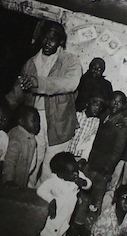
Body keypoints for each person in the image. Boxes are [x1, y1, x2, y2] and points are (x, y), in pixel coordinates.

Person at [7, 21, 81, 186]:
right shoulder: (31, 63)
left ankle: (41, 198)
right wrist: (4, 108)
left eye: (52, 39)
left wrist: (38, 82)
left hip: (60, 122)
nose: (47, 42)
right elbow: (17, 92)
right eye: (45, 38)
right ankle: (26, 194)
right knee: (32, 161)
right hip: (35, 121)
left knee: (50, 167)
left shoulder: (70, 61)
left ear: (61, 41)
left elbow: (70, 83)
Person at [36, 152, 91, 236]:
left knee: (63, 229)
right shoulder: (54, 181)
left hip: (68, 212)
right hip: (57, 212)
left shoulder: (77, 175)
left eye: (76, 170)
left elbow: (89, 184)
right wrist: (51, 200)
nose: (75, 174)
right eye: (72, 172)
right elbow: (41, 190)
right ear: (60, 174)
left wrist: (83, 183)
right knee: (50, 233)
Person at [86, 90, 127, 215]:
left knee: (96, 196)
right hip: (92, 161)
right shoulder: (104, 115)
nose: (115, 104)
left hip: (103, 167)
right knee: (85, 192)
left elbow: (118, 150)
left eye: (119, 102)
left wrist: (107, 167)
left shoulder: (122, 124)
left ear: (124, 106)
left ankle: (92, 220)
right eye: (113, 101)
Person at [2, 105, 40, 189]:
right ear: (21, 121)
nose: (37, 124)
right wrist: (8, 180)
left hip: (21, 178)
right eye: (33, 120)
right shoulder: (17, 137)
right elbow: (10, 161)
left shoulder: (30, 137)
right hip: (9, 182)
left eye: (38, 121)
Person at [66, 94, 108, 162]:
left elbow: (90, 142)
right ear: (87, 104)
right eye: (95, 105)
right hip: (66, 152)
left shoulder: (96, 122)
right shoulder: (76, 115)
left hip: (79, 156)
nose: (97, 109)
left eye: (100, 108)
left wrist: (84, 158)